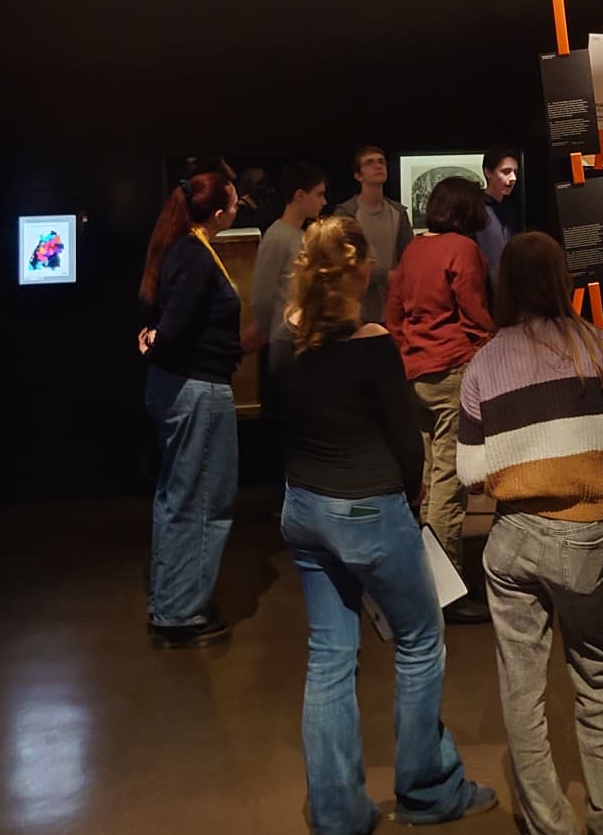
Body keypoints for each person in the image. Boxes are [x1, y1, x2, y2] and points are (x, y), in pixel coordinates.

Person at [280, 215, 495, 835]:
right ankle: (428, 792)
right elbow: (406, 443)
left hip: (303, 508)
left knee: (328, 657)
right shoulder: (373, 345)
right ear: (357, 269)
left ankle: (337, 822)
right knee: (421, 641)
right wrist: (411, 495)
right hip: (369, 509)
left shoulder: (288, 340)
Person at [456, 231, 603, 835]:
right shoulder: (598, 347)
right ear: (562, 279)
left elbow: (470, 471)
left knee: (522, 686)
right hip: (587, 535)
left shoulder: (483, 365)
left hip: (512, 539)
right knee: (600, 671)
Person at [138, 172, 245, 648]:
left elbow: (167, 317)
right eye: (235, 203)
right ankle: (180, 614)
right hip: (197, 389)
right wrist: (158, 343)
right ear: (219, 213)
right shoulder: (195, 254)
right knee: (202, 500)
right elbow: (177, 320)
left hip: (181, 387)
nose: (239, 207)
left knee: (178, 496)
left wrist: (156, 341)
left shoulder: (182, 249)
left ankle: (171, 603)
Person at [387, 177, 495, 623]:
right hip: (452, 370)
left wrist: (408, 352)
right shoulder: (462, 249)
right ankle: (446, 593)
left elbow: (393, 313)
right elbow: (474, 310)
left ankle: (425, 583)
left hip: (416, 373)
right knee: (449, 484)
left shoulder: (414, 249)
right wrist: (487, 344)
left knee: (431, 479)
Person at [250, 161, 326, 406]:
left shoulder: (300, 236)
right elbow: (262, 295)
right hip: (285, 339)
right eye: (319, 195)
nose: (323, 202)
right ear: (300, 195)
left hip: (300, 338)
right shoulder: (277, 236)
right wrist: (269, 330)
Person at [334, 144, 413, 324]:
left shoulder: (398, 212)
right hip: (357, 310)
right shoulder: (347, 213)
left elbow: (409, 255)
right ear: (358, 175)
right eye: (369, 163)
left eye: (381, 162)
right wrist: (383, 276)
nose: (378, 166)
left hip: (392, 308)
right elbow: (343, 261)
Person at [475, 146, 521, 289]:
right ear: (488, 172)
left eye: (515, 172)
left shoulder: (510, 207)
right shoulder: (476, 208)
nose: (513, 178)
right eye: (506, 171)